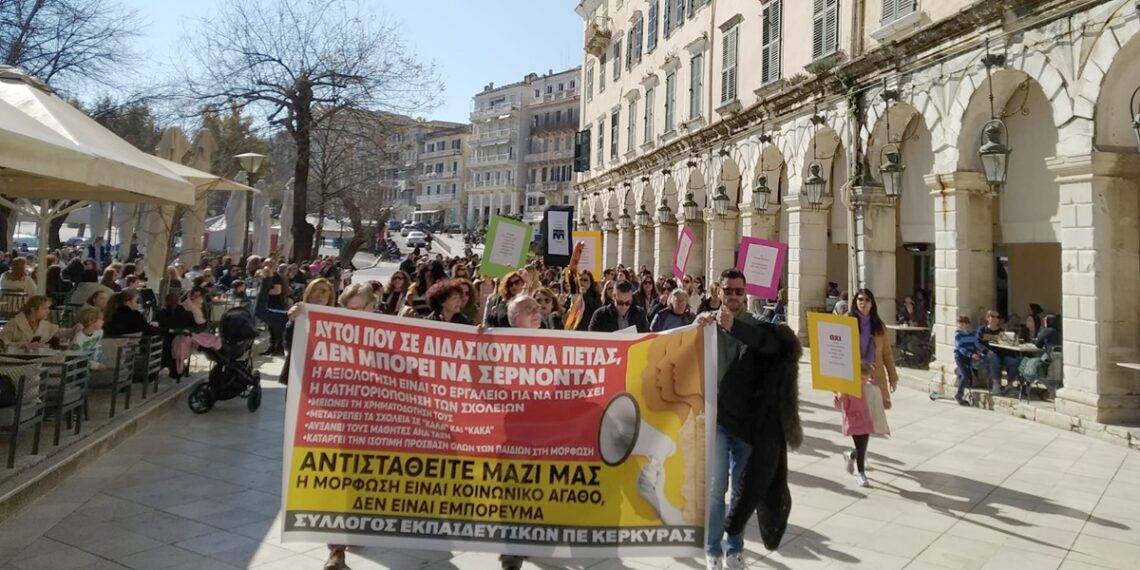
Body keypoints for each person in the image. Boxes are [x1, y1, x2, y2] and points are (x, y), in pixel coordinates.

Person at [705, 269, 803, 569]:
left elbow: (771, 344)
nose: (733, 296)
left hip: (748, 426)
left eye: (738, 291)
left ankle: (734, 549)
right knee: (716, 489)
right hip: (717, 422)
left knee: (741, 489)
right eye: (728, 290)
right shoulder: (706, 325)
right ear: (718, 292)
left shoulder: (757, 325)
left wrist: (733, 326)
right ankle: (712, 549)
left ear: (745, 294)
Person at [834, 362, 890, 487]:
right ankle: (861, 473)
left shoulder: (868, 386)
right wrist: (838, 395)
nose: (863, 381)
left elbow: (876, 389)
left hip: (866, 420)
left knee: (862, 447)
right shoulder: (848, 388)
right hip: (853, 421)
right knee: (861, 446)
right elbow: (839, 405)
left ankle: (851, 456)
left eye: (865, 378)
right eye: (861, 378)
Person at [847, 289, 898, 410]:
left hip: (874, 374)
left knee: (875, 413)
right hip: (853, 374)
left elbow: (887, 354)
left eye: (867, 300)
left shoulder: (878, 326)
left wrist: (893, 377)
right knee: (855, 412)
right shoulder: (847, 321)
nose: (863, 303)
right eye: (860, 299)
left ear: (872, 303)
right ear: (855, 302)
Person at [281, 278, 336, 385]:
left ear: (330, 295)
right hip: (300, 375)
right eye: (315, 290)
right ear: (308, 294)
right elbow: (288, 344)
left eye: (324, 291)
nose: (319, 295)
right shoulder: (299, 312)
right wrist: (292, 320)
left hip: (325, 377)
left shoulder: (338, 319)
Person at [977, 310, 1020, 395]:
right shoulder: (982, 330)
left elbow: (1006, 345)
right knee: (994, 358)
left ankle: (1010, 384)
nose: (995, 319)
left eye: (997, 317)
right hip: (987, 354)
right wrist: (986, 351)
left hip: (1002, 354)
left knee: (1013, 361)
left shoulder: (1002, 331)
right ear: (987, 318)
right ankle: (996, 383)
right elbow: (977, 343)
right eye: (993, 316)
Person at [953, 316, 984, 406]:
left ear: (967, 325)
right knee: (965, 376)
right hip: (960, 357)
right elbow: (960, 348)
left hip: (969, 357)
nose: (960, 325)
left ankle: (959, 378)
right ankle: (959, 395)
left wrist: (977, 352)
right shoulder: (958, 335)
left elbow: (975, 345)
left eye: (963, 323)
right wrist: (971, 354)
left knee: (968, 377)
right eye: (959, 323)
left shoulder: (972, 335)